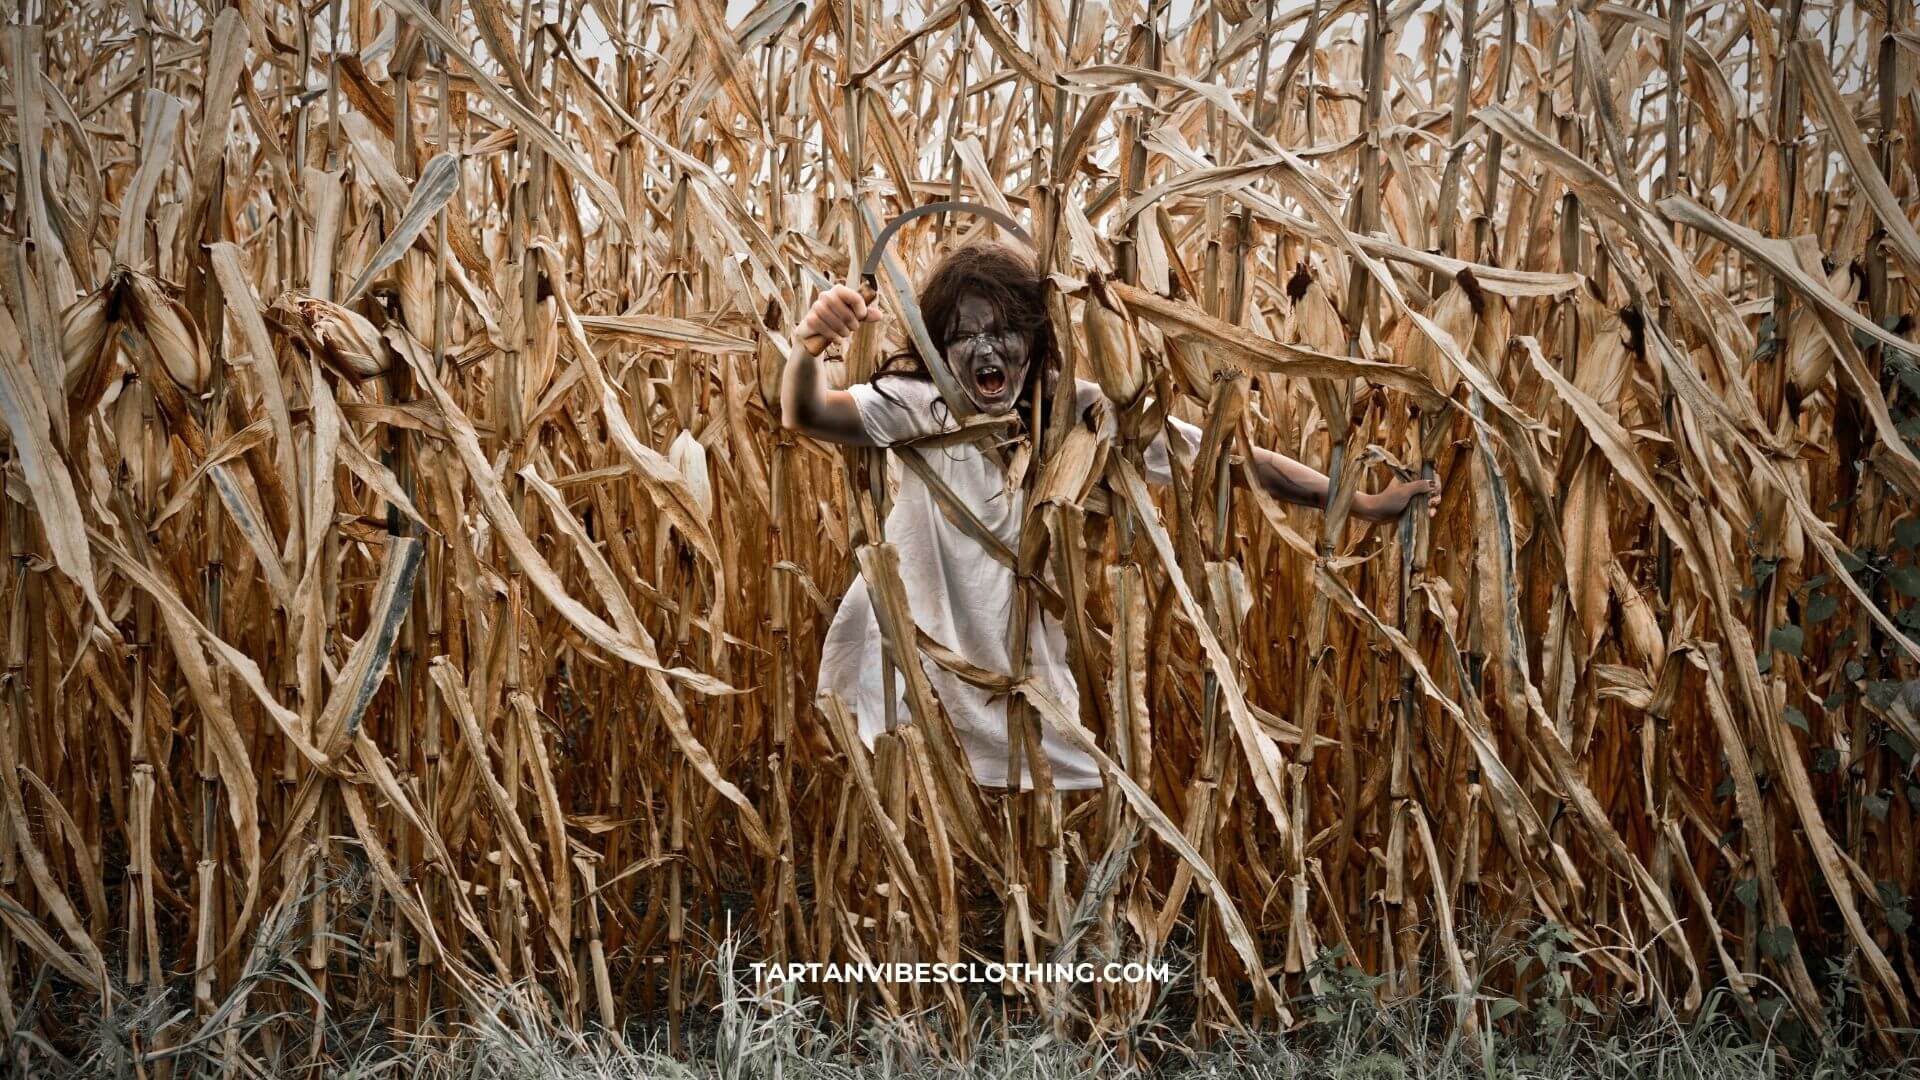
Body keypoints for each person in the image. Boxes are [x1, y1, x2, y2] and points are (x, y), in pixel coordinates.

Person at [781, 242, 1438, 791]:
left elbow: (1228, 458)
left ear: (1036, 339)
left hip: (1012, 647)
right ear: (938, 349)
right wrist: (811, 344)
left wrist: (1363, 504)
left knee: (1042, 797)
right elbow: (808, 411)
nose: (987, 349)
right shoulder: (918, 404)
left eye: (1005, 329)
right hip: (913, 639)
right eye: (964, 335)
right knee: (915, 794)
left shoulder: (1077, 412)